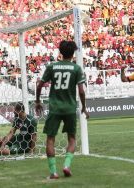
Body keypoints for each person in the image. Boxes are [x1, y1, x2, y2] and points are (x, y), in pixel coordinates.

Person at [35, 40, 89, 179]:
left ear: (60, 52)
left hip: (55, 108)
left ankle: (53, 172)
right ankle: (66, 165)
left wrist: (37, 102)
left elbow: (40, 85)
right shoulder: (77, 68)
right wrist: (84, 107)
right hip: (70, 108)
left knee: (50, 139)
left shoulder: (52, 67)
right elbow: (81, 91)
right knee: (72, 139)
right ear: (73, 53)